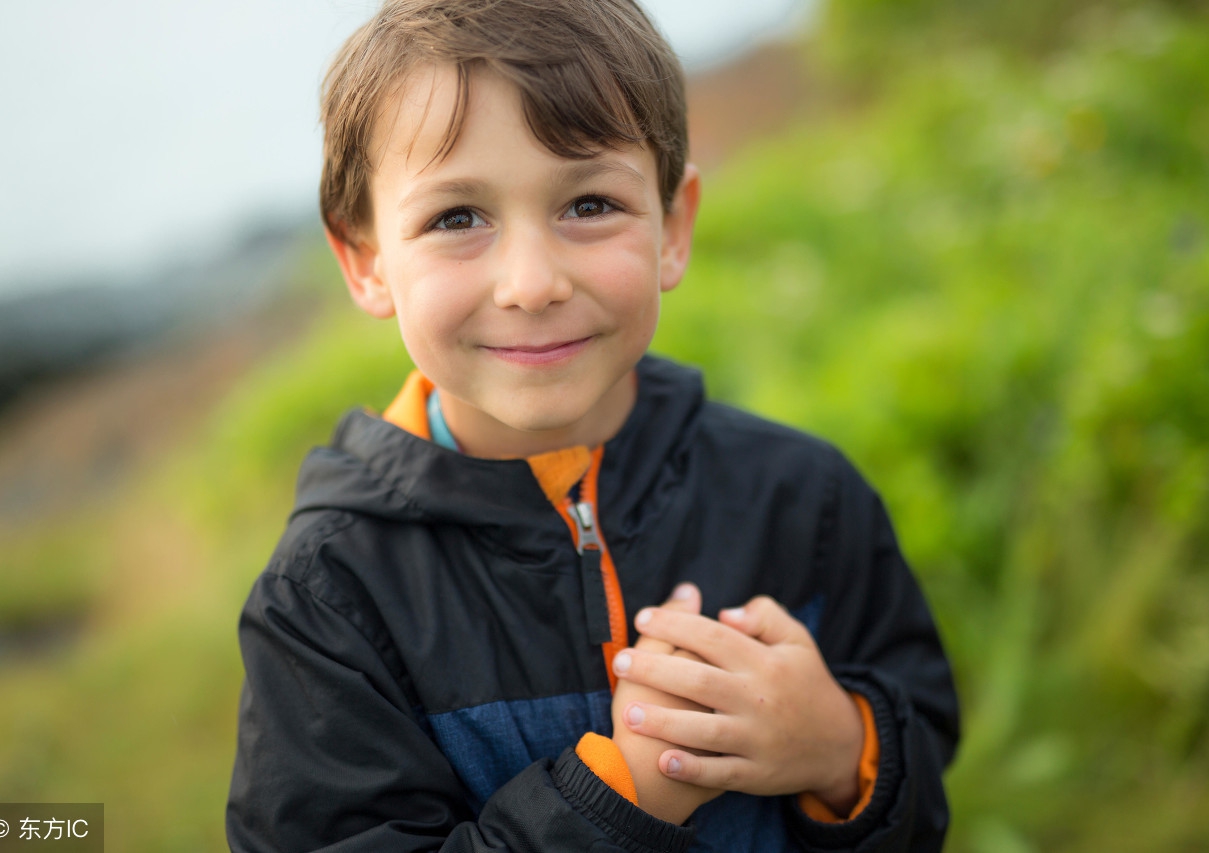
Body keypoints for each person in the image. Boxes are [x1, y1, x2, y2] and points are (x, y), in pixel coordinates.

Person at [225, 0, 959, 850]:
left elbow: (924, 774)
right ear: (367, 261)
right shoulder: (328, 601)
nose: (532, 282)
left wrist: (838, 747)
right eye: (457, 217)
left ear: (673, 228)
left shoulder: (805, 497)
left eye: (588, 203)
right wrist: (622, 797)